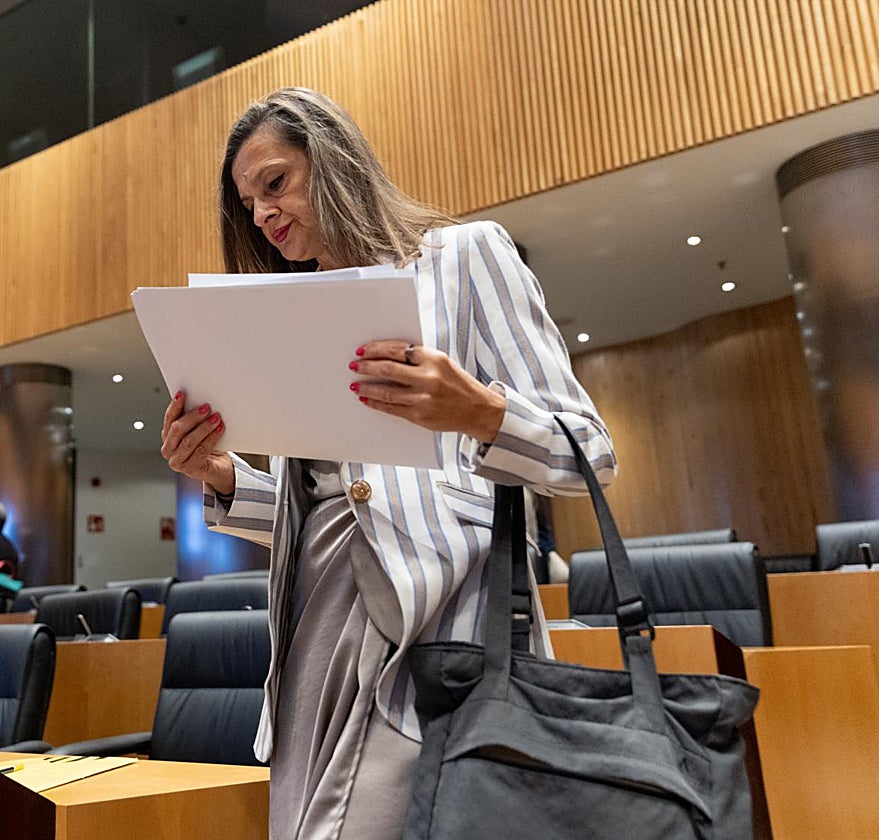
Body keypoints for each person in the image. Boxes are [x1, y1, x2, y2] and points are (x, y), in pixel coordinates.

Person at [159, 88, 616, 839]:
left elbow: (591, 455)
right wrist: (220, 475)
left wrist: (481, 413)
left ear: (333, 161)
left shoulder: (466, 256)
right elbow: (330, 508)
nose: (262, 215)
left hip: (444, 621)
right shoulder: (294, 310)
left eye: (275, 184)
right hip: (315, 622)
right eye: (248, 203)